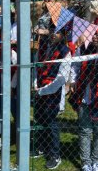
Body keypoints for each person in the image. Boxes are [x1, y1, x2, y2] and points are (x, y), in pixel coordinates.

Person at [33, 29, 75, 170]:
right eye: (52, 30)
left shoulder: (65, 51)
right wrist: (35, 84)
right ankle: (41, 147)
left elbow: (61, 78)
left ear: (63, 35)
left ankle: (55, 155)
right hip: (40, 89)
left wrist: (43, 91)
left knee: (51, 122)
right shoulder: (45, 47)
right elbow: (36, 67)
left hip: (52, 92)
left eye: (57, 32)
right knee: (39, 118)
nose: (53, 34)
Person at [69, 32, 98, 171]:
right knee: (85, 129)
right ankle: (86, 162)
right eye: (94, 34)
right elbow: (75, 65)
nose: (95, 37)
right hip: (84, 94)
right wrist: (74, 80)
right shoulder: (84, 48)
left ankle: (96, 160)